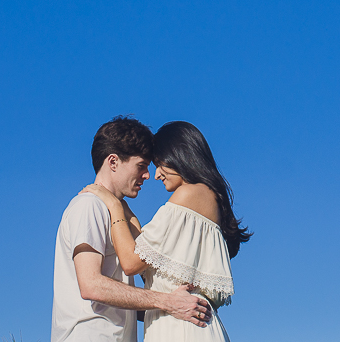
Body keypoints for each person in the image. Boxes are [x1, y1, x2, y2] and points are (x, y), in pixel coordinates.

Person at [83, 120, 252, 342]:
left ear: (180, 156)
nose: (156, 175)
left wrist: (115, 207)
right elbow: (147, 256)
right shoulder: (204, 199)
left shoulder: (189, 195)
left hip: (182, 330)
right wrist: (127, 211)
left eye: (160, 164)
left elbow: (131, 262)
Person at [53, 117, 214, 342]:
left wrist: (176, 304)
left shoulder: (118, 215)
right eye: (141, 166)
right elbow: (91, 286)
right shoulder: (89, 206)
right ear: (113, 162)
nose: (148, 175)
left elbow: (118, 299)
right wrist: (166, 301)